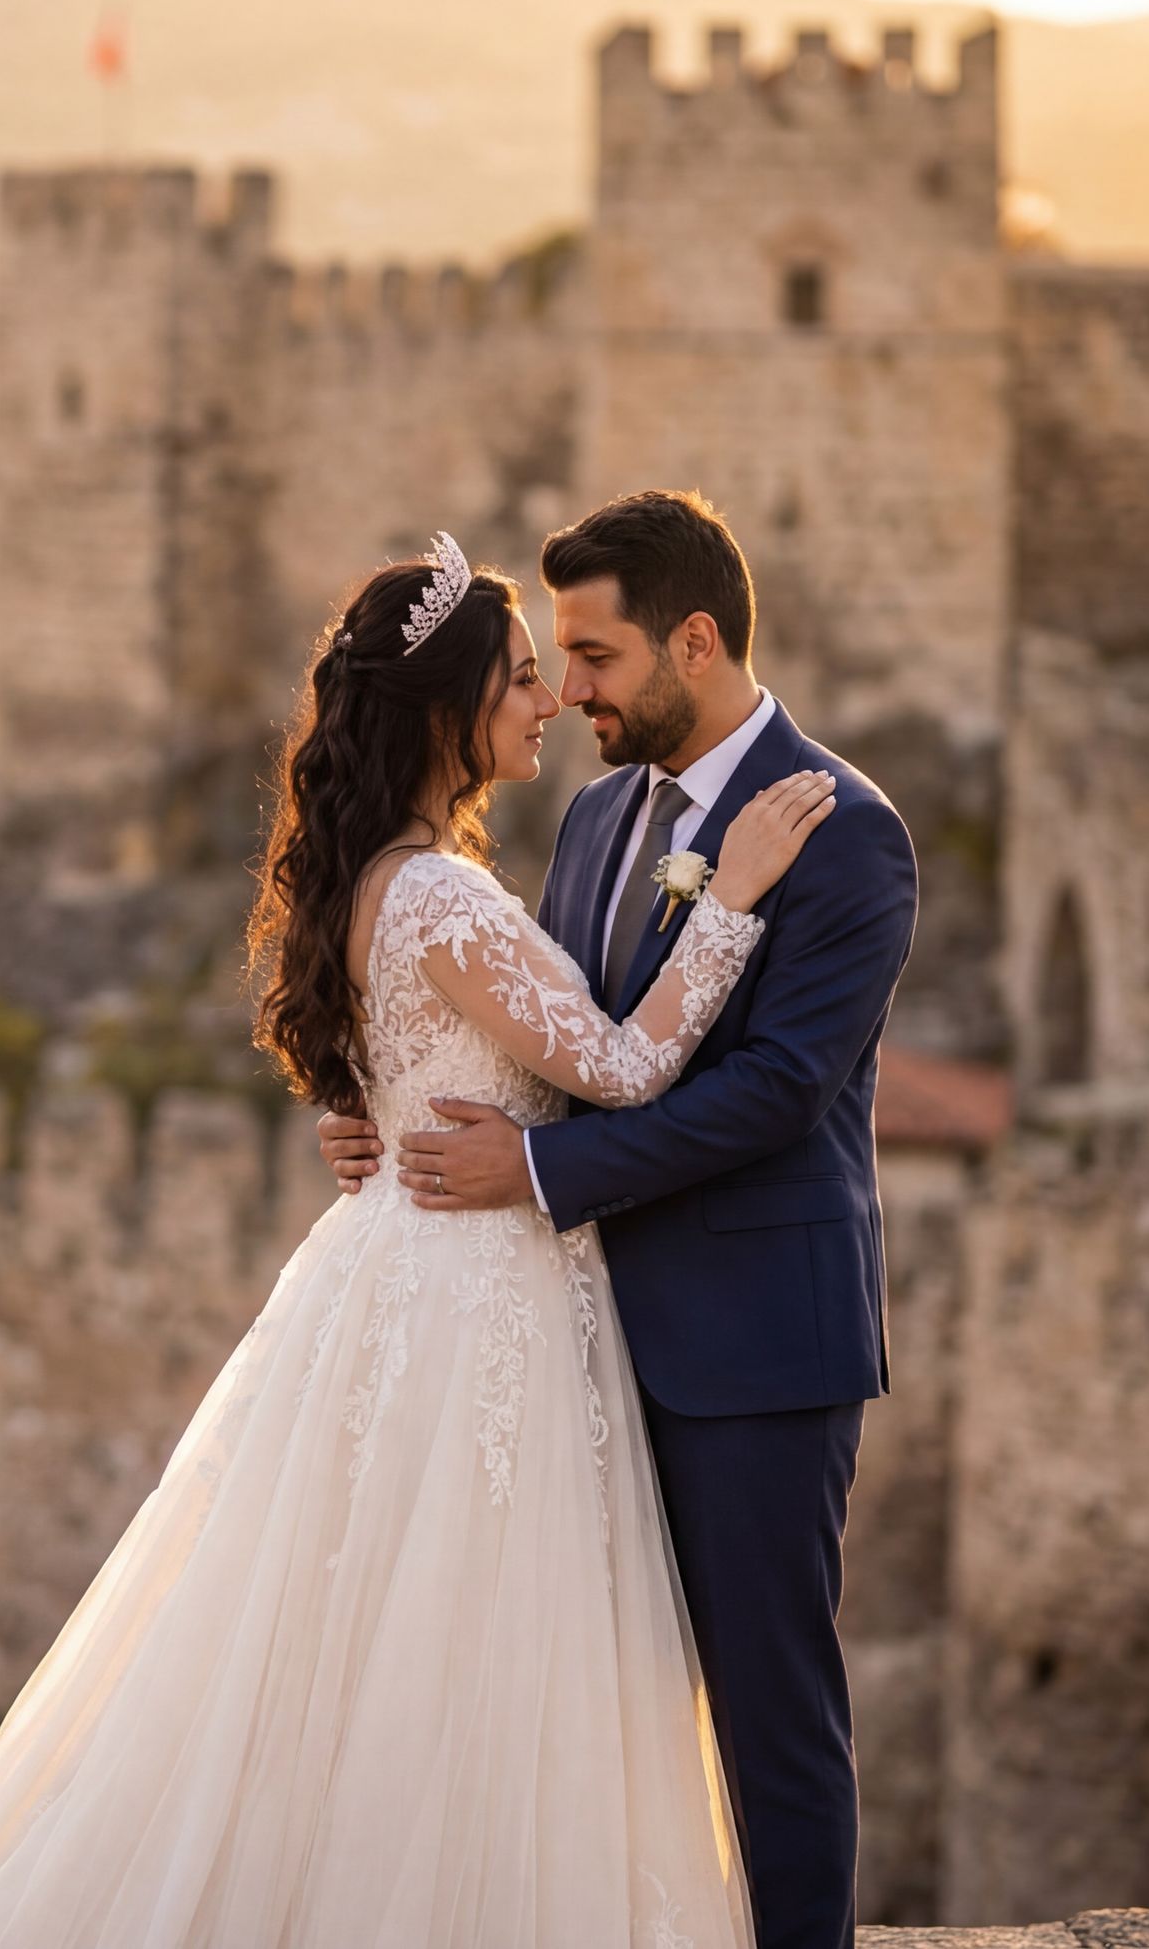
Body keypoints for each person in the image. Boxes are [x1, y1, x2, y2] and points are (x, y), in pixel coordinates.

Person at [0, 523, 840, 1949]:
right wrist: (730, 900)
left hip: (421, 1271)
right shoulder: (437, 890)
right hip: (471, 1294)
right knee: (459, 1647)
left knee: (381, 1649)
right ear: (447, 708)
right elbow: (622, 1067)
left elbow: (436, 1066)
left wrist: (384, 1118)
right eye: (515, 676)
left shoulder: (385, 877)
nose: (547, 697)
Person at [317, 489, 918, 1949]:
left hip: (751, 1352)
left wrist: (534, 1177)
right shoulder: (594, 820)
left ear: (694, 642)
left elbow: (775, 1092)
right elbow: (560, 1044)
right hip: (563, 1344)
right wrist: (396, 1116)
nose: (569, 688)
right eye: (554, 662)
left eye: (592, 656)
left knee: (770, 1723)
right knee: (569, 1715)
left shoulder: (843, 835)